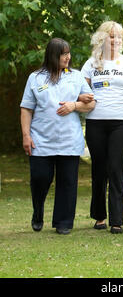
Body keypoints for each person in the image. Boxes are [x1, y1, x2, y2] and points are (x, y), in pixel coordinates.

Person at [20, 38, 95, 235]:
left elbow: (91, 103)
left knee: (67, 181)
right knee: (40, 178)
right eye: (64, 54)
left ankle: (63, 222)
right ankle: (38, 211)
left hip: (69, 139)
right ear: (53, 55)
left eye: (68, 53)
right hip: (41, 139)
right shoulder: (35, 78)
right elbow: (26, 109)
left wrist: (75, 105)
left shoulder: (76, 77)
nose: (68, 57)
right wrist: (26, 136)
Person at [80, 21, 123, 234]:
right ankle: (99, 216)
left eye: (118, 37)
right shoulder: (90, 64)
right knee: (99, 169)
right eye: (111, 36)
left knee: (116, 169)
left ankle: (117, 220)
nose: (115, 40)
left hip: (120, 122)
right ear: (102, 38)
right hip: (95, 122)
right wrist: (83, 96)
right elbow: (78, 90)